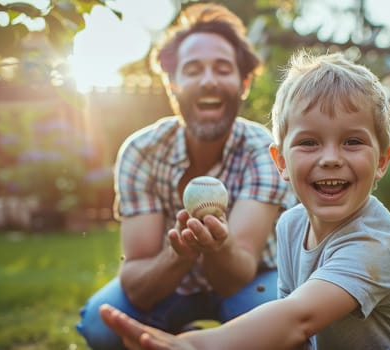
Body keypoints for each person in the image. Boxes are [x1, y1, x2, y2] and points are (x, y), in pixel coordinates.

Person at [98, 51, 390, 349]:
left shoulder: (376, 245)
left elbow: (297, 319)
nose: (330, 158)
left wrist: (191, 344)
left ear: (382, 161)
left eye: (352, 142)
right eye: (309, 142)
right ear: (280, 162)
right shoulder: (292, 224)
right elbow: (293, 339)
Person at [75, 3, 296, 349]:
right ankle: (184, 335)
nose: (208, 80)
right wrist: (180, 253)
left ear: (244, 83)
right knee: (102, 327)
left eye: (222, 68)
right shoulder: (141, 151)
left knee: (281, 327)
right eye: (192, 70)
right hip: (172, 282)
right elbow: (136, 284)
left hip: (253, 279)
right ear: (172, 83)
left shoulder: (262, 151)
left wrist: (217, 245)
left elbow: (235, 275)